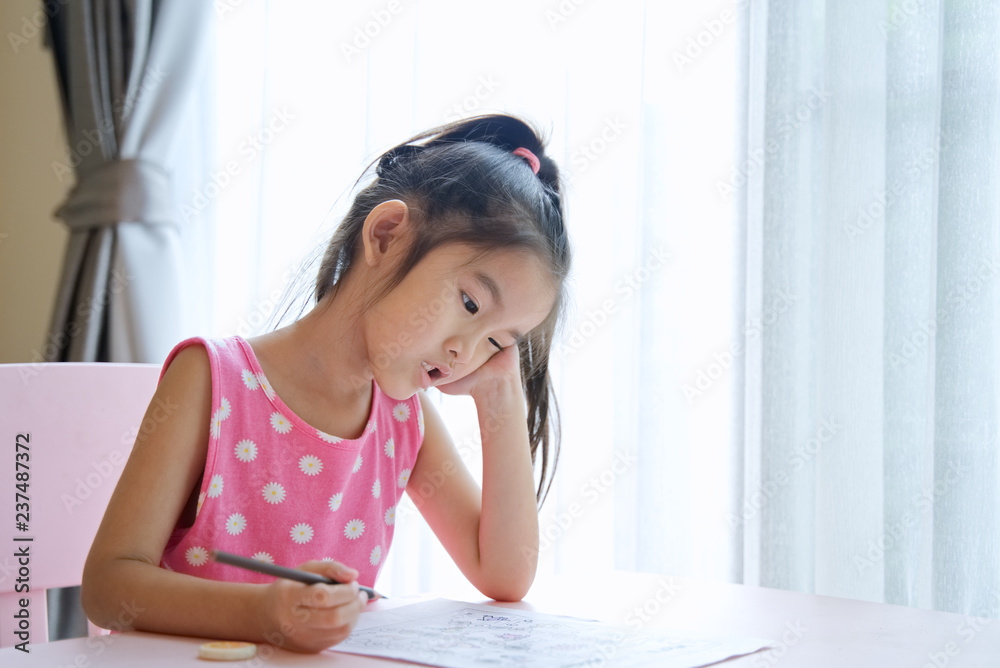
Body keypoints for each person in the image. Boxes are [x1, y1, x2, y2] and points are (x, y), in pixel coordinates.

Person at [82, 114, 571, 653]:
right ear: (386, 235)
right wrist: (265, 614)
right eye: (471, 304)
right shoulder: (212, 382)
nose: (466, 353)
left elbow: (504, 575)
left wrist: (499, 389)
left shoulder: (401, 418)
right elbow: (109, 586)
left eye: (498, 342)